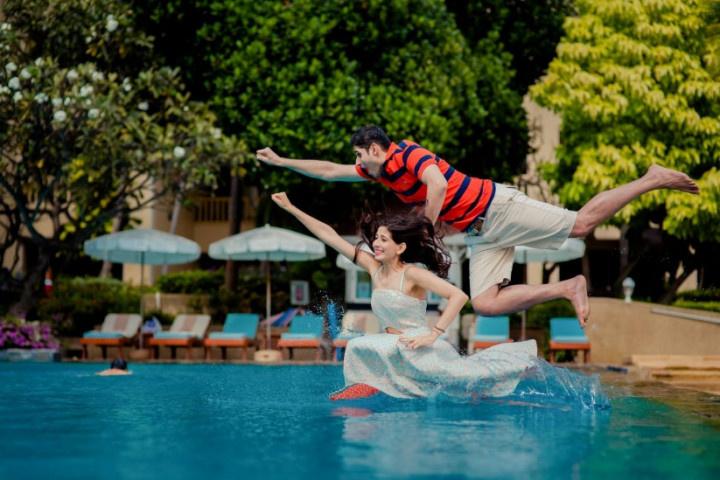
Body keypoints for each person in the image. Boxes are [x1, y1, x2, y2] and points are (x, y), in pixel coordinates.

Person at [258, 126, 699, 326]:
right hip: (480, 233)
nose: (356, 163)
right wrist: (282, 162)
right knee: (485, 304)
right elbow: (329, 171)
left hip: (497, 207)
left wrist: (425, 227)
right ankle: (567, 287)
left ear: (375, 148)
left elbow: (436, 185)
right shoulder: (380, 171)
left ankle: (650, 178)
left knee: (581, 225)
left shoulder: (408, 155)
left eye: (359, 155)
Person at [271, 192, 538, 400]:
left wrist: (432, 334)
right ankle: (361, 389)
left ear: (400, 247)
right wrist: (291, 208)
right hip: (393, 345)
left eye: (384, 239)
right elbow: (329, 235)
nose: (376, 243)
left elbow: (458, 296)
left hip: (418, 347)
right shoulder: (373, 268)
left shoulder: (412, 274)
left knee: (470, 385)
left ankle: (515, 369)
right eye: (376, 237)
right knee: (359, 346)